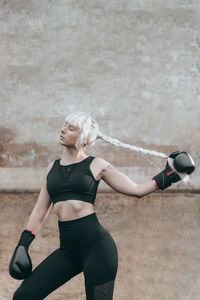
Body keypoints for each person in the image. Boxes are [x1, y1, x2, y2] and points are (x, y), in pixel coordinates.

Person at [9, 111, 195, 300]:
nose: (62, 130)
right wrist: (23, 245)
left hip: (98, 249)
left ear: (85, 138)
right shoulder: (52, 168)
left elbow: (136, 190)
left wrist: (169, 176)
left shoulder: (97, 165)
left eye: (70, 128)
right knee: (24, 295)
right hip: (68, 251)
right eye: (64, 125)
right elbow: (40, 211)